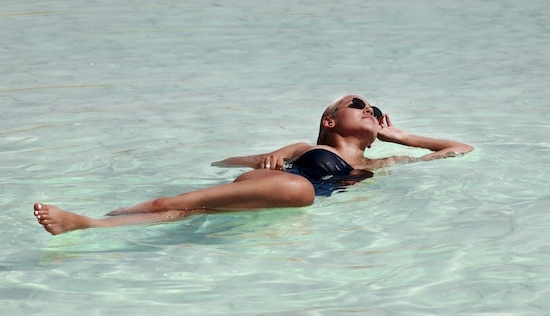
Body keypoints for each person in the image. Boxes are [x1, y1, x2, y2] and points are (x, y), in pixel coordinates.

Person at [33, 95, 473, 235]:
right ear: (330, 120)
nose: (370, 111)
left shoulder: (382, 163)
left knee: (190, 214)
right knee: (297, 193)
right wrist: (270, 160)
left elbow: (459, 149)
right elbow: (224, 162)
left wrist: (398, 135)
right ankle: (109, 216)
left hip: (285, 201)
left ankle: (89, 225)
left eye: (375, 109)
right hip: (280, 185)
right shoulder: (305, 145)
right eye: (358, 105)